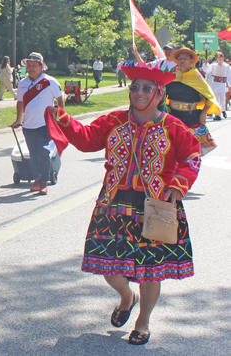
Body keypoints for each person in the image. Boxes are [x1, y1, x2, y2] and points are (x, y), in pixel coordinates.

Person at [48, 65, 201, 345]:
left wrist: (178, 185)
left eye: (146, 88)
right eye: (135, 87)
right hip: (114, 203)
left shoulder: (173, 127)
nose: (139, 93)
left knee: (151, 271)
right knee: (109, 268)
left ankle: (143, 322)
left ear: (159, 93)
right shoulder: (114, 121)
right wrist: (65, 119)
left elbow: (192, 157)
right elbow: (86, 140)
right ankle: (126, 297)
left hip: (155, 206)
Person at [12, 52, 64, 195]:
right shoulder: (23, 83)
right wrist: (18, 119)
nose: (31, 68)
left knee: (43, 152)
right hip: (28, 125)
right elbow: (20, 102)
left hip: (45, 124)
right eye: (29, 65)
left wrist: (60, 116)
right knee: (33, 154)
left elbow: (60, 99)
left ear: (41, 66)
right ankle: (36, 178)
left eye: (34, 65)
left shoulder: (50, 82)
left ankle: (43, 181)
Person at [166, 47, 220, 155]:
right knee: (173, 152)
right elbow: (162, 95)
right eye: (180, 58)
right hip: (174, 118)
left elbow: (210, 97)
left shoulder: (197, 78)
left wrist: (203, 114)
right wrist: (165, 106)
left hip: (192, 118)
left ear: (191, 61)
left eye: (185, 58)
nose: (182, 61)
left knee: (191, 153)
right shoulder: (173, 77)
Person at [203, 51, 231, 119]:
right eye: (218, 57)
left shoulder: (227, 66)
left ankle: (223, 110)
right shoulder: (213, 65)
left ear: (223, 57)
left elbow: (229, 76)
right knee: (216, 99)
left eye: (221, 56)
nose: (219, 58)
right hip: (215, 83)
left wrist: (229, 85)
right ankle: (217, 114)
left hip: (223, 84)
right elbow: (207, 70)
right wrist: (206, 64)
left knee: (222, 98)